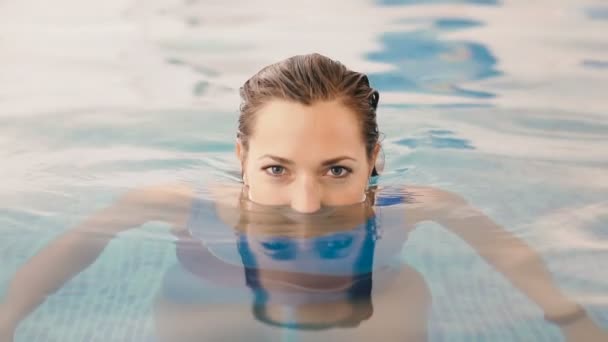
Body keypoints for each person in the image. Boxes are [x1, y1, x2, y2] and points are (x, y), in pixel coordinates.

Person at [0, 53, 605, 341]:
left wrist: (575, 323)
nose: (306, 204)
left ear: (375, 160)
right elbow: (73, 248)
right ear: (241, 158)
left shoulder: (415, 204)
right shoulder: (175, 203)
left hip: (366, 308)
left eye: (338, 169)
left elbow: (511, 255)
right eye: (276, 169)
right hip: (212, 302)